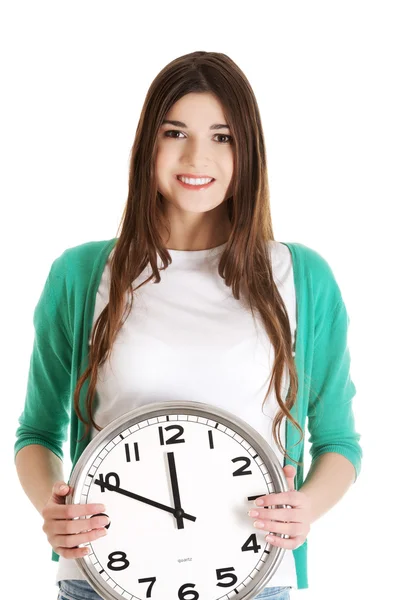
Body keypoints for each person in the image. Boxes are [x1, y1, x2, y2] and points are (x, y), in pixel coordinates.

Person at [14, 51, 362, 600]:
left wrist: (307, 507)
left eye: (222, 136)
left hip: (254, 580)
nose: (197, 154)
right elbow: (36, 434)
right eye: (175, 132)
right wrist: (52, 508)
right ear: (146, 145)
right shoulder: (81, 276)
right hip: (99, 580)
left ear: (248, 152)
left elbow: (339, 442)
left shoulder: (302, 278)